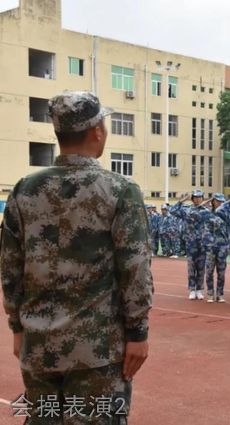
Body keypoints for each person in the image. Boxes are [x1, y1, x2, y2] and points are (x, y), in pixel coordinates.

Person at [1, 91, 153, 421]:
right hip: (96, 352)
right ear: (97, 130)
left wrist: (17, 329)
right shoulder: (119, 191)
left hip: (38, 345)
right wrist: (138, 333)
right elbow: (135, 269)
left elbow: (10, 268)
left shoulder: (24, 190)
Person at [170, 189, 212, 300]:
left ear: (202, 198)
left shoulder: (206, 211)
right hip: (190, 243)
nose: (197, 199)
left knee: (201, 268)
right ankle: (192, 289)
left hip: (202, 243)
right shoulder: (187, 210)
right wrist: (181, 201)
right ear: (192, 199)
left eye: (199, 197)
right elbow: (172, 211)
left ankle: (199, 289)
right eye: (195, 197)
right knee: (191, 268)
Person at [204, 193, 229, 303]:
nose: (220, 203)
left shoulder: (226, 214)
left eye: (221, 201)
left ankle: (220, 293)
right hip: (211, 246)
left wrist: (228, 244)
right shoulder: (208, 213)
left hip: (222, 246)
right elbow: (205, 230)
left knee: (221, 272)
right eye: (217, 201)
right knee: (209, 271)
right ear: (213, 201)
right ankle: (210, 293)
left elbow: (229, 230)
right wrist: (209, 242)